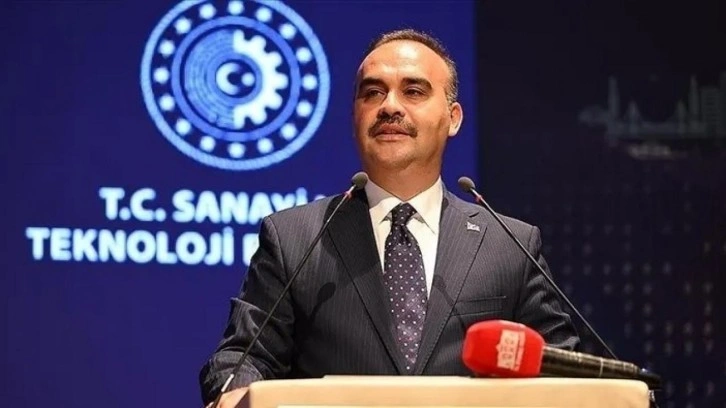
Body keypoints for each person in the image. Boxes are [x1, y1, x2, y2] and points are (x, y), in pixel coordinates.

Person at [199, 28, 579, 407]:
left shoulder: (509, 245)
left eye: (413, 91)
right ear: (355, 115)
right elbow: (244, 357)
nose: (389, 107)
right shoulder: (294, 238)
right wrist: (234, 391)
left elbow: (563, 370)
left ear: (453, 118)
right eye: (372, 93)